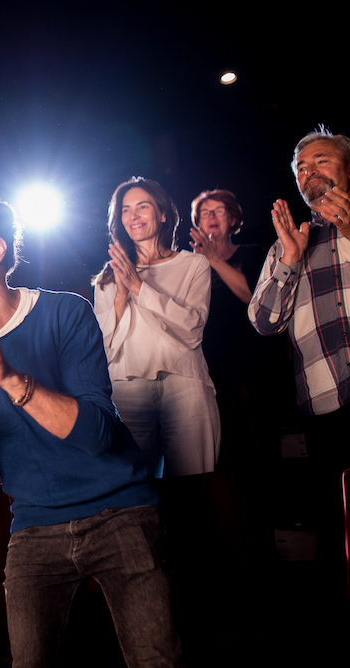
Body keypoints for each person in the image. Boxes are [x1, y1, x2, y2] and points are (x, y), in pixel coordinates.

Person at [0, 199, 181, 667]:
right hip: (35, 526)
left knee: (156, 660)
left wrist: (10, 379)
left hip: (120, 513)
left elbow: (99, 434)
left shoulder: (66, 313)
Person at [248, 125, 350, 601]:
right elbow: (265, 323)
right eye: (301, 168)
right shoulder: (287, 243)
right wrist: (290, 257)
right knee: (338, 524)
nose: (310, 171)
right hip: (328, 403)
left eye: (322, 160)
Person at [93, 177, 219, 477]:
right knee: (132, 486)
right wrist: (122, 294)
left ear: (163, 214)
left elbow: (191, 329)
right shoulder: (107, 277)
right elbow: (103, 347)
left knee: (194, 487)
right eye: (125, 209)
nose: (133, 215)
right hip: (126, 387)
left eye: (142, 206)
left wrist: (139, 287)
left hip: (184, 382)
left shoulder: (193, 265)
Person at [189, 190, 278, 472]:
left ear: (234, 218)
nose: (212, 217)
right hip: (207, 369)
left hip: (251, 367)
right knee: (220, 454)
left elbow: (253, 297)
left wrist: (214, 259)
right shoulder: (188, 265)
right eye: (205, 212)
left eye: (219, 211)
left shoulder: (253, 254)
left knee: (259, 446)